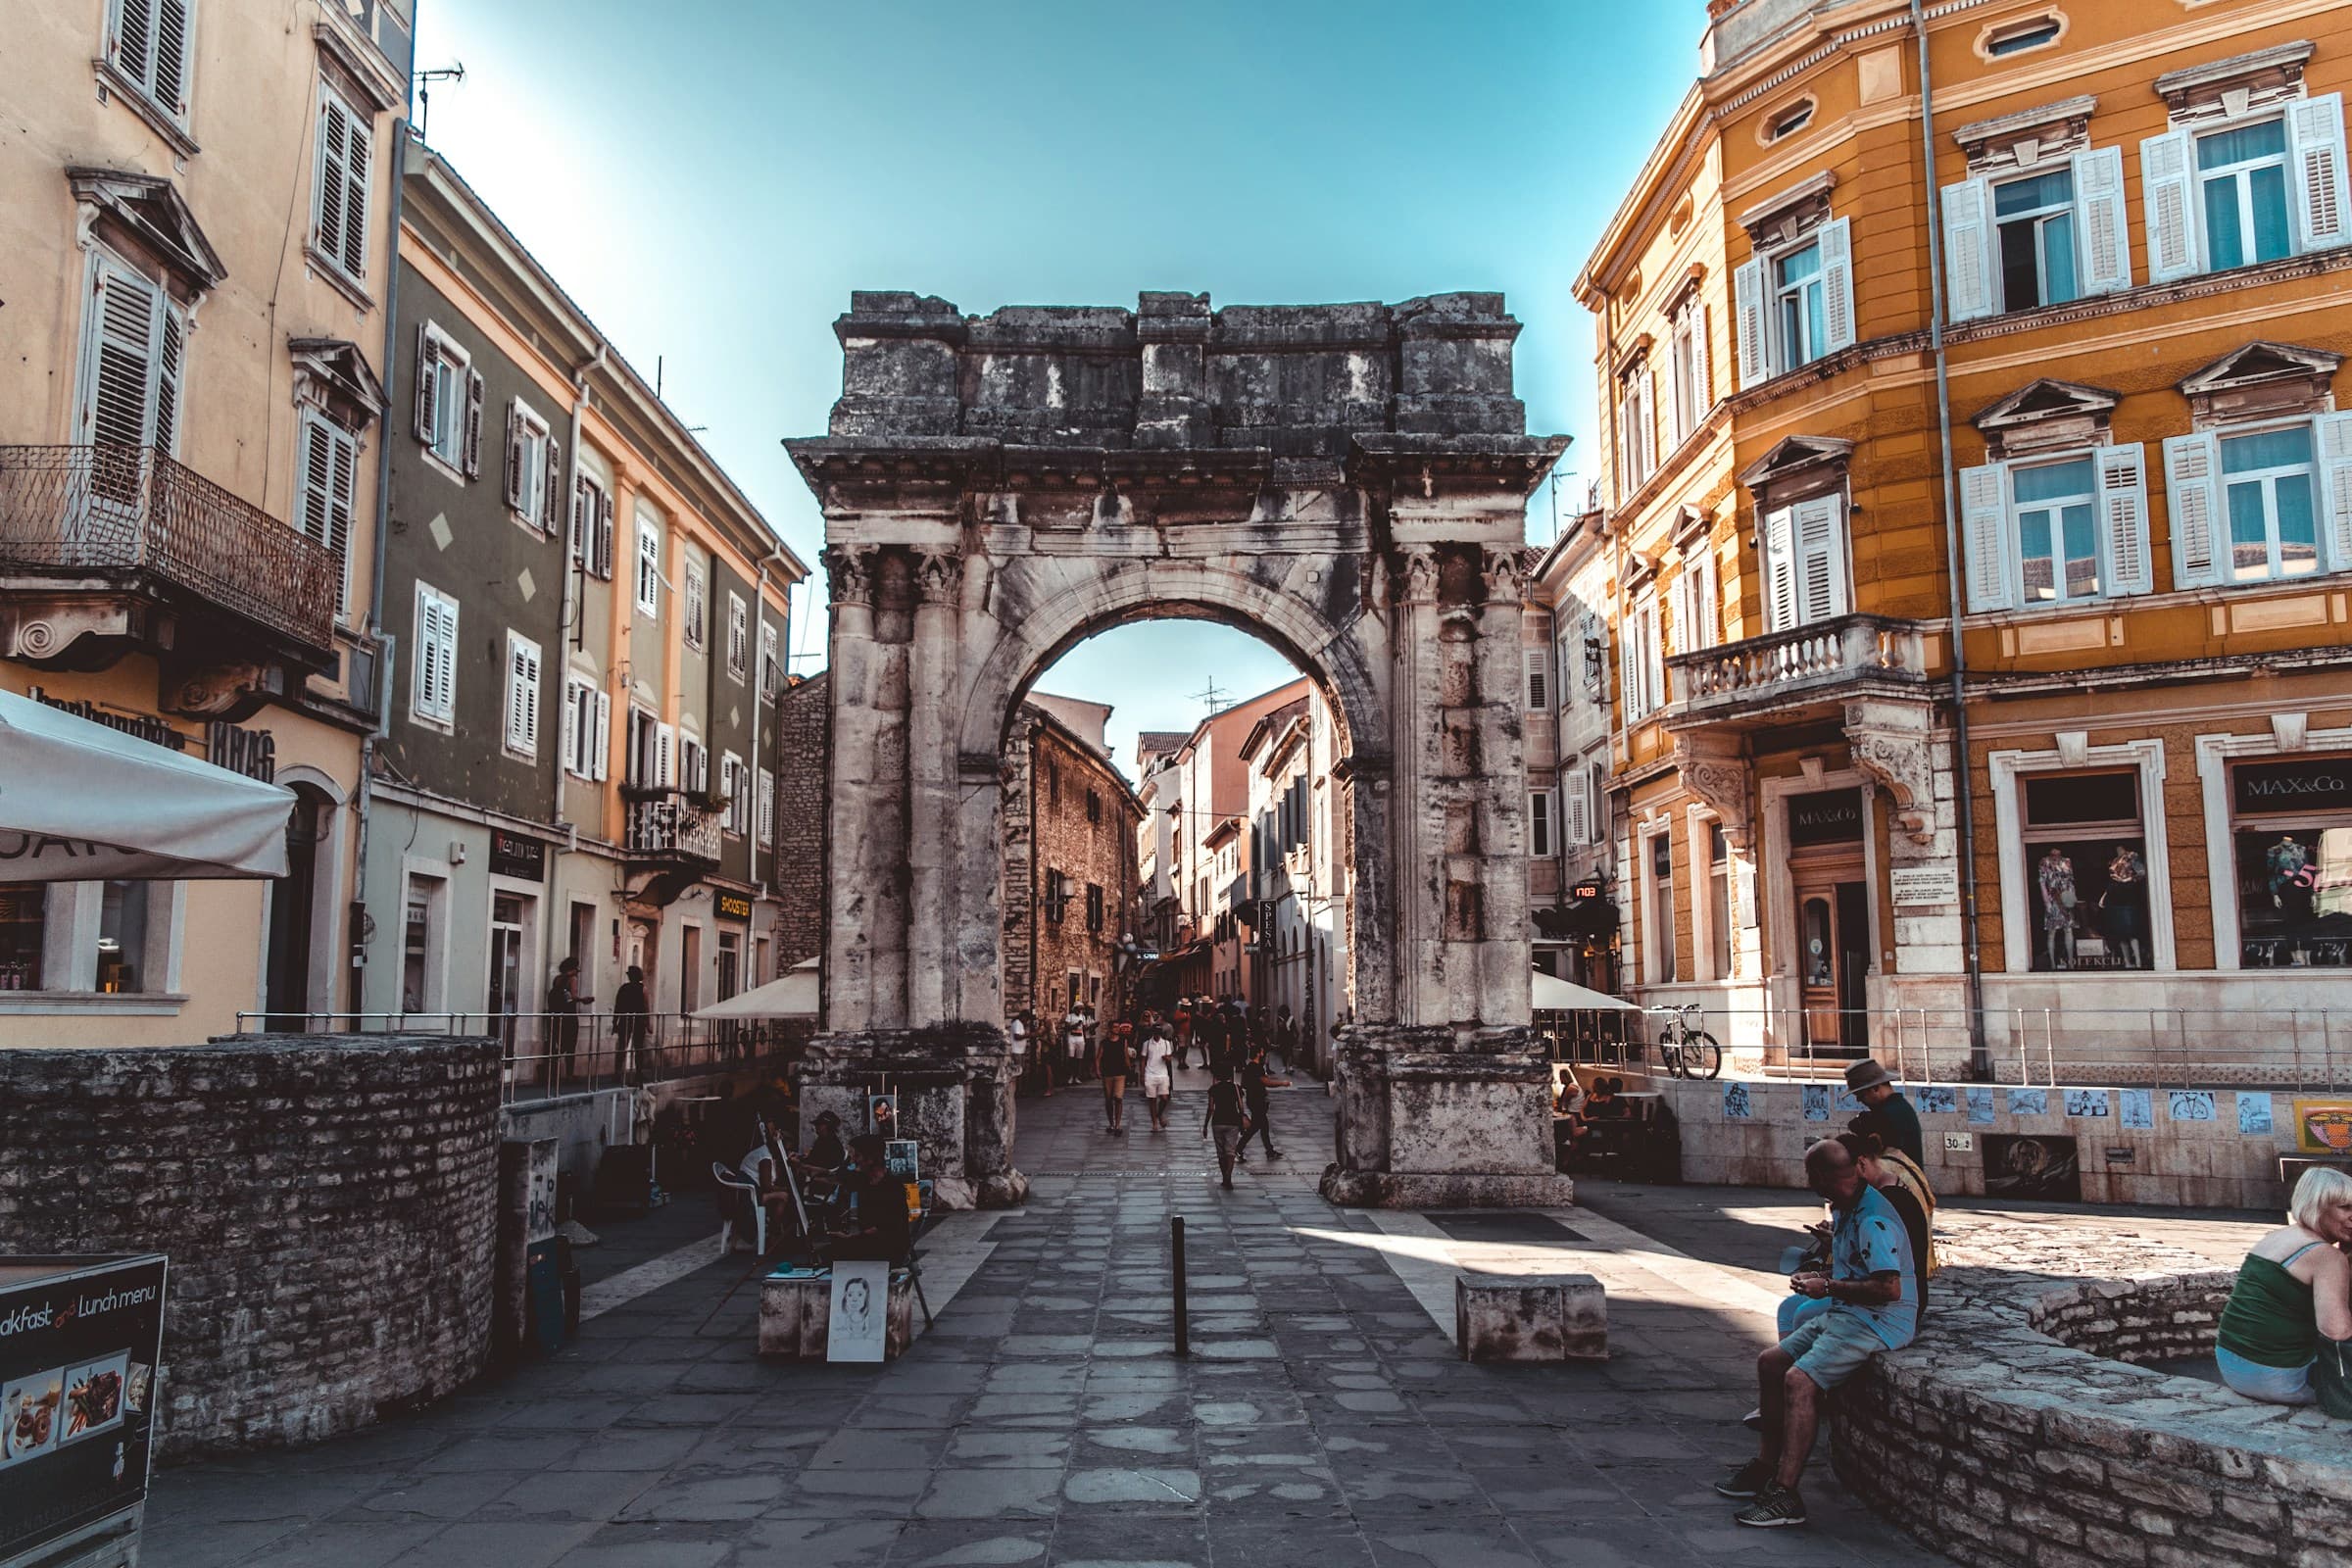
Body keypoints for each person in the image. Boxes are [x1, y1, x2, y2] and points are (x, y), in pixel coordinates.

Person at [1716, 1138, 1917, 1529]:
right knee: (1771, 1362)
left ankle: (1786, 1493)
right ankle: (1764, 1465)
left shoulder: (1873, 1218)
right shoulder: (1846, 1207)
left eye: (1811, 1174)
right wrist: (1823, 1276)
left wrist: (1828, 1288)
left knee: (1799, 1380)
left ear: (1822, 1176)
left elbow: (1890, 1289)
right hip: (1850, 1311)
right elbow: (1857, 1271)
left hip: (1877, 1321)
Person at [2214, 1165, 2352, 1407]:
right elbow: (2336, 1332)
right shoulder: (2326, 1256)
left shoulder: (2278, 1237)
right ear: (2317, 1207)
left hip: (2232, 1365)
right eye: (2345, 1208)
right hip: (2278, 1377)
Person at [827, 1134, 913, 1264]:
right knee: (828, 1252)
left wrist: (850, 1238)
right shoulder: (864, 1180)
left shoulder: (891, 1186)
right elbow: (837, 1177)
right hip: (870, 1241)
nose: (855, 1160)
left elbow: (882, 1228)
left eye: (858, 1156)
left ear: (871, 1159)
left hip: (889, 1247)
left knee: (835, 1255)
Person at [1842, 1059, 1924, 1165]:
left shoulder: (1887, 1115)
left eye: (1860, 1095)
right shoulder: (1900, 1106)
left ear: (1875, 1088)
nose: (1858, 1100)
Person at [1202, 1067, 1249, 1190]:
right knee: (1230, 1151)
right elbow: (1241, 1107)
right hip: (1232, 1122)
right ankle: (1228, 1176)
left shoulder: (1214, 1089)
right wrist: (1242, 1120)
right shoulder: (1236, 1088)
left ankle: (1225, 1177)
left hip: (1217, 1122)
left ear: (1217, 1076)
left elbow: (1211, 1108)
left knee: (1221, 1153)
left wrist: (1205, 1125)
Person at [1241, 1045, 1284, 1161]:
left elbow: (1244, 1084)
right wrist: (1283, 1083)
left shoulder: (1249, 1067)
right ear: (1259, 1054)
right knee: (1255, 1127)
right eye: (1262, 1051)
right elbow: (1267, 1082)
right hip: (1257, 1100)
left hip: (1252, 1099)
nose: (1263, 1053)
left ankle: (1269, 1151)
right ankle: (1239, 1148)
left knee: (1263, 1126)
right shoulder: (1257, 1068)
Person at [545, 956, 585, 1071]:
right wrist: (584, 1000)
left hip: (557, 1014)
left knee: (558, 1042)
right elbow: (574, 996)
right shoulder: (573, 979)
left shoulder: (557, 979)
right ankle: (569, 1074)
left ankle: (552, 1070)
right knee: (571, 1046)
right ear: (573, 968)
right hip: (569, 1015)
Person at [612, 964, 650, 1072]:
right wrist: (648, 1024)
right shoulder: (643, 989)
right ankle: (638, 1073)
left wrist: (615, 1022)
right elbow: (646, 1007)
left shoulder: (623, 988)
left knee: (622, 1046)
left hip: (625, 1020)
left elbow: (617, 1006)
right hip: (638, 1020)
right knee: (638, 1048)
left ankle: (618, 1072)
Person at [1100, 1019, 1132, 1135]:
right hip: (1108, 1073)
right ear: (1110, 1029)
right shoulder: (1104, 1043)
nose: (1117, 1029)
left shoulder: (1123, 1041)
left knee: (1118, 1098)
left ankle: (1118, 1125)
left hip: (1120, 1073)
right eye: (1114, 1027)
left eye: (1118, 1027)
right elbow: (1098, 1057)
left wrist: (1129, 1068)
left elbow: (1126, 1055)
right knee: (1109, 1100)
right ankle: (1111, 1123)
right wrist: (1098, 1070)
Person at [1141, 1024, 1174, 1132]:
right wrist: (1142, 1074)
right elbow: (1143, 1060)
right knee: (1152, 1100)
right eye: (1156, 1033)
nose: (1157, 1035)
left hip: (1163, 1073)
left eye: (1159, 1034)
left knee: (1164, 1098)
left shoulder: (1166, 1043)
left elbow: (1170, 1058)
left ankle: (1158, 1115)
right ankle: (1154, 1123)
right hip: (1150, 1073)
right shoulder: (1147, 1044)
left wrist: (1167, 1058)